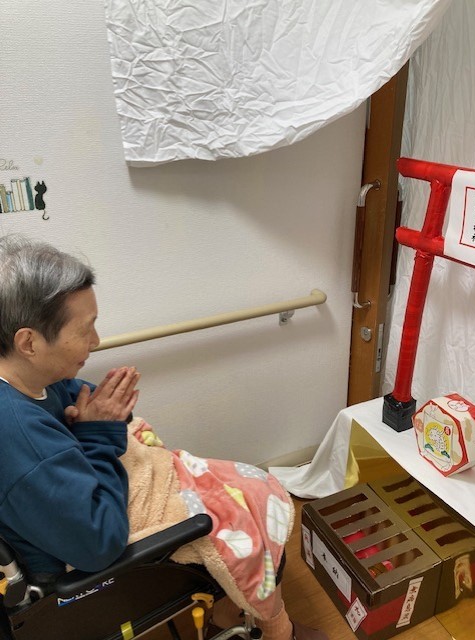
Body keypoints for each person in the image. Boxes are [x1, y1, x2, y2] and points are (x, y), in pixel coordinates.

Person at [0, 235, 327, 640]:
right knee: (250, 500)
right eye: (85, 330)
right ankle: (276, 628)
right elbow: (96, 545)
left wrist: (104, 416)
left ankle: (229, 611)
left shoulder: (29, 378)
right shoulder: (20, 439)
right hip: (81, 565)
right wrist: (100, 432)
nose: (96, 341)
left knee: (243, 484)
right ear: (29, 342)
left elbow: (85, 404)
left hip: (78, 506)